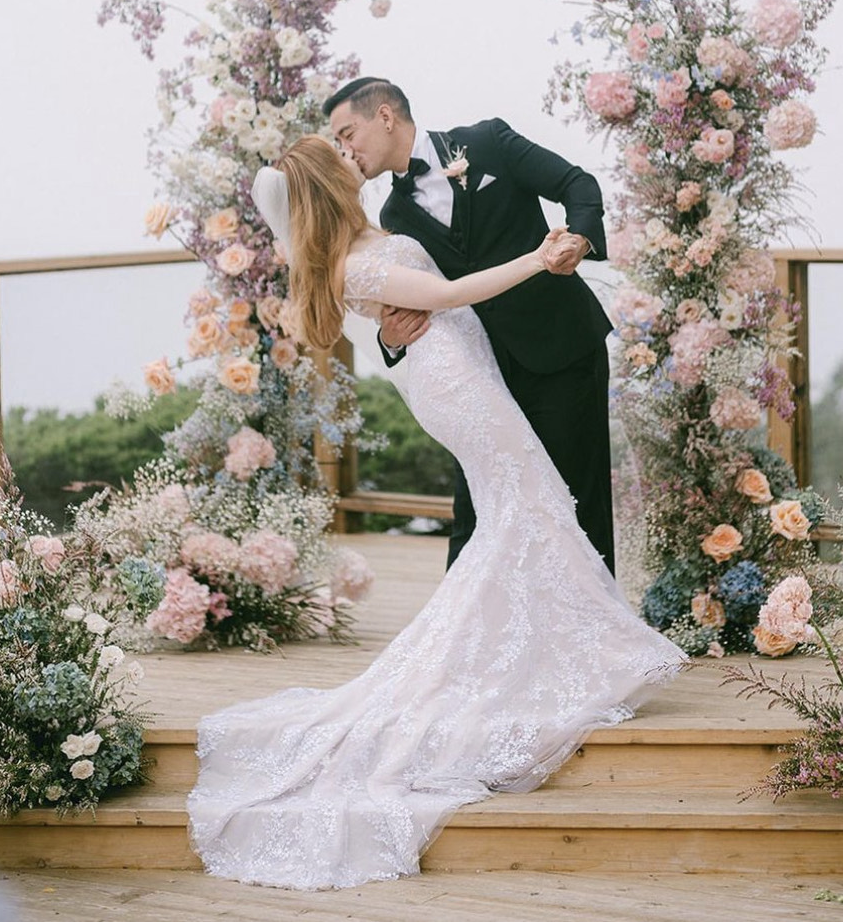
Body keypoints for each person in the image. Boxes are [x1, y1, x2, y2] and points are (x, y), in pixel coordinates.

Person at [186, 135, 687, 891]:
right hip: (455, 383)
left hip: (474, 369)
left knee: (527, 509)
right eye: (338, 153)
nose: (351, 155)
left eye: (348, 140)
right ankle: (569, 654)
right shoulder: (352, 259)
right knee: (529, 505)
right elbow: (447, 297)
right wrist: (539, 257)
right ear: (327, 182)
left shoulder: (379, 227)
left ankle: (556, 650)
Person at [324, 76, 617, 575]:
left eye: (347, 134)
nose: (345, 150)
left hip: (561, 348)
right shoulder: (393, 214)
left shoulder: (487, 142)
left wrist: (580, 239)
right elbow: (408, 297)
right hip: (481, 378)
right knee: (477, 515)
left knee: (579, 505)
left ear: (385, 116)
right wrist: (389, 339)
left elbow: (577, 184)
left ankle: (601, 621)